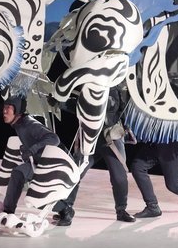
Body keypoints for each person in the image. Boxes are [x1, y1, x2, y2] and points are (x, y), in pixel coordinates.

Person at [53, 87, 136, 226]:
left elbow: (117, 108)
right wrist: (60, 102)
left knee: (119, 177)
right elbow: (79, 107)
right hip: (90, 137)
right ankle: (66, 208)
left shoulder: (117, 87)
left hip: (110, 136)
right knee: (75, 172)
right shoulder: (87, 84)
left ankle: (121, 210)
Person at [0, 94, 62, 222]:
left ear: (17, 110)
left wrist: (32, 149)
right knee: (20, 175)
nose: (4, 111)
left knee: (33, 189)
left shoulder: (29, 124)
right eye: (4, 107)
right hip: (37, 163)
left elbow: (54, 139)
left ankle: (66, 209)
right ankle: (8, 213)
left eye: (8, 107)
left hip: (48, 165)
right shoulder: (19, 124)